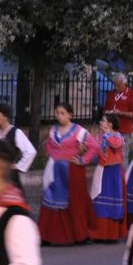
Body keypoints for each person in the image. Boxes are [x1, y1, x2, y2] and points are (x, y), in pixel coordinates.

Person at [39, 103, 93, 246]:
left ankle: (79, 235)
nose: (59, 116)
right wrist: (53, 155)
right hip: (55, 170)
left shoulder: (79, 131)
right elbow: (48, 145)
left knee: (74, 201)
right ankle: (47, 235)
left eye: (62, 113)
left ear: (70, 115)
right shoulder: (53, 130)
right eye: (57, 113)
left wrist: (82, 160)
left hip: (72, 170)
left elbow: (93, 147)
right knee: (51, 198)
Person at [88, 114, 127, 243]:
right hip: (116, 171)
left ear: (110, 124)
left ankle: (99, 234)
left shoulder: (103, 138)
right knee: (113, 200)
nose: (101, 123)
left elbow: (98, 155)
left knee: (100, 198)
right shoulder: (120, 137)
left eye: (103, 120)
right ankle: (112, 235)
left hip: (105, 171)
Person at [0, 103, 37, 177]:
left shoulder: (15, 132)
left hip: (9, 176)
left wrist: (17, 166)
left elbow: (30, 151)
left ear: (5, 117)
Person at [101, 72, 133, 137]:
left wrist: (120, 113)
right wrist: (107, 112)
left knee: (123, 147)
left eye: (118, 86)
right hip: (110, 129)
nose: (116, 88)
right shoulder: (111, 94)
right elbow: (105, 109)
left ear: (124, 83)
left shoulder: (132, 94)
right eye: (114, 85)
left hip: (124, 130)